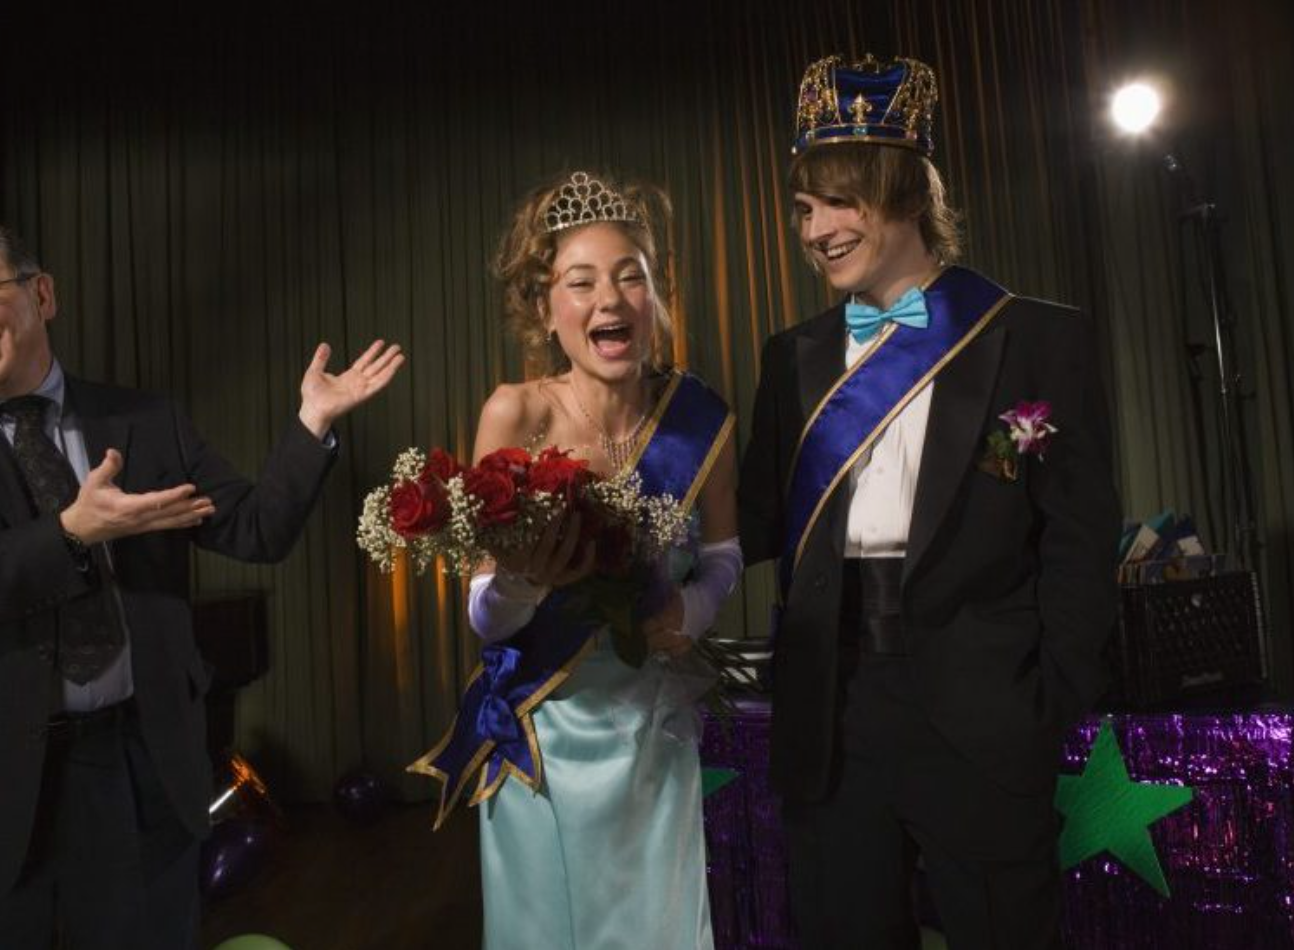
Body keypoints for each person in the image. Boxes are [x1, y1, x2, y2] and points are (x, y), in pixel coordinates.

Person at [738, 55, 1121, 949]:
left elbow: (1080, 536)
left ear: (907, 192)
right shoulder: (791, 357)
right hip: (832, 713)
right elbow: (754, 518)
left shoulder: (1037, 338)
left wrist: (1047, 699)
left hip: (983, 711)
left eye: (841, 201)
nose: (817, 230)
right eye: (804, 209)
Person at [0, 224, 404, 949]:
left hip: (143, 763)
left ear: (42, 293)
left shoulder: (144, 420)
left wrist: (313, 423)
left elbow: (255, 530)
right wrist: (70, 534)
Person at [409, 171, 741, 950]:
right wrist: (526, 581)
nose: (611, 299)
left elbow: (724, 554)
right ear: (544, 307)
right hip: (543, 736)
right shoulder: (516, 412)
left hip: (654, 730)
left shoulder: (700, 418)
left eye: (633, 277)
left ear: (657, 299)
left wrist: (689, 612)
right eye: (582, 281)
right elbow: (485, 617)